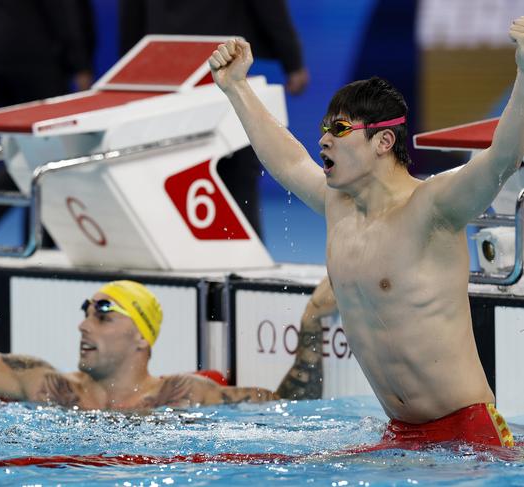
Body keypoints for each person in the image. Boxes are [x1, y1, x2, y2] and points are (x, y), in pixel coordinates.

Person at [206, 17, 524, 449]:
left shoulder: (432, 208)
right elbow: (287, 161)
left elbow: (503, 157)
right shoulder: (339, 208)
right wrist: (235, 88)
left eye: (338, 130)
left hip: (468, 434)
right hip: (398, 434)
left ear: (383, 141)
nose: (323, 140)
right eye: (323, 129)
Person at [0, 279, 329, 410]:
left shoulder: (188, 395)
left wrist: (312, 321)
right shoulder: (48, 386)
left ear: (142, 338)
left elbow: (296, 403)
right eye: (85, 311)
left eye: (103, 314)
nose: (83, 325)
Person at [119, 0, 309, 238]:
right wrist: (292, 60)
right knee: (233, 168)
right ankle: (243, 261)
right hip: (220, 62)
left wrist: (131, 68)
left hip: (162, 64)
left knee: (173, 166)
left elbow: (132, 14)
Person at [0, 0, 96, 245]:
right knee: (47, 150)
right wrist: (80, 63)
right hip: (32, 50)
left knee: (26, 148)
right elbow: (63, 8)